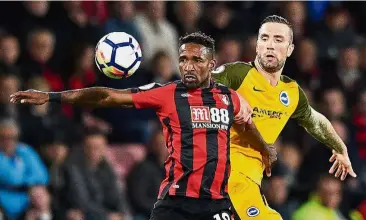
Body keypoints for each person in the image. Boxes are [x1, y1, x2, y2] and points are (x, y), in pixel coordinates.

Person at [10, 32, 274, 220]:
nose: (188, 66)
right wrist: (53, 96)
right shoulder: (167, 93)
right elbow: (107, 96)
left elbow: (246, 124)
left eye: (197, 60)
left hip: (216, 203)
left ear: (211, 65)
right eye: (183, 60)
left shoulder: (230, 98)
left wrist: (264, 148)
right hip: (175, 204)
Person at [212, 15, 357, 220]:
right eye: (264, 38)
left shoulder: (291, 92)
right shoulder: (237, 74)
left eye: (278, 40)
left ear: (289, 49)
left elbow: (316, 121)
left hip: (249, 181)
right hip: (220, 173)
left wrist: (339, 147)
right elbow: (195, 88)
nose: (270, 45)